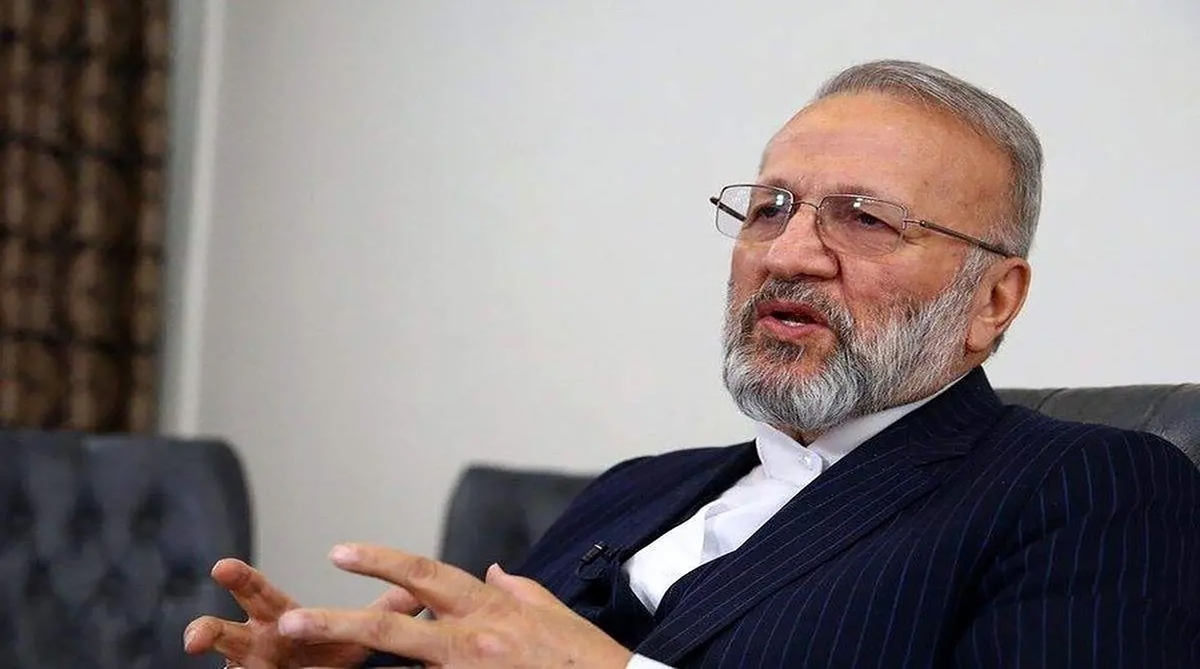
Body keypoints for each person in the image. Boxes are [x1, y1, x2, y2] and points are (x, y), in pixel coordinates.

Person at [183, 59, 1200, 668]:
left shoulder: (1091, 487)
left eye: (864, 217)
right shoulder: (639, 488)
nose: (790, 252)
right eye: (771, 207)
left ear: (994, 301)